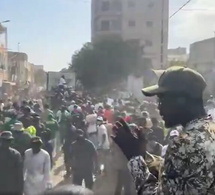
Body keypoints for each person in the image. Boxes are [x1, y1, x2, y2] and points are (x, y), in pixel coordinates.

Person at [113, 66, 215, 194]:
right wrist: (146, 156)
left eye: (162, 100)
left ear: (181, 100)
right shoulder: (209, 131)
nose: (159, 108)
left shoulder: (184, 143)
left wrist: (134, 158)